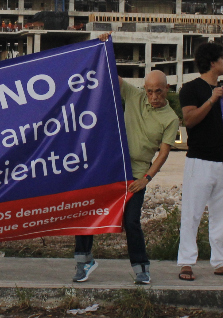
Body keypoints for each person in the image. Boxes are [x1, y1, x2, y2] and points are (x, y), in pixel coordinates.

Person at [74, 33, 179, 285]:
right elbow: (111, 74)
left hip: (136, 175)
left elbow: (163, 153)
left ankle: (142, 268)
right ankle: (84, 261)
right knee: (88, 211)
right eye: (150, 91)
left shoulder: (171, 118)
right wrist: (103, 46)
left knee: (131, 222)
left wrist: (147, 179)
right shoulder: (135, 96)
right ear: (145, 89)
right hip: (111, 169)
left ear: (167, 89)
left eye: (158, 92)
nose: (154, 96)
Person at [176, 42, 223, 280]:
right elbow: (190, 120)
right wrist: (212, 100)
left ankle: (221, 261)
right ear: (212, 62)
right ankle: (185, 262)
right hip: (199, 160)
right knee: (192, 213)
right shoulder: (191, 89)